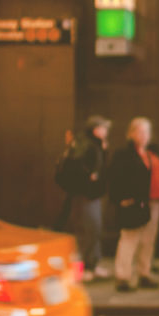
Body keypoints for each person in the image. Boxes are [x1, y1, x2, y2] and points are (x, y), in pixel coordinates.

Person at [108, 117, 159, 292]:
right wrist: (121, 199)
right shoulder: (124, 155)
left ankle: (144, 273)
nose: (144, 136)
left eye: (146, 132)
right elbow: (115, 177)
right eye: (140, 132)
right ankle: (123, 276)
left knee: (148, 240)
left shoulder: (150, 154)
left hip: (152, 201)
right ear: (131, 133)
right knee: (129, 238)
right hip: (132, 202)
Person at [63, 115, 112, 281]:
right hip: (85, 194)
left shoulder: (96, 144)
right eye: (104, 128)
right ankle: (80, 268)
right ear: (96, 129)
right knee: (87, 230)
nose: (106, 131)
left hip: (94, 194)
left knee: (95, 230)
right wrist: (89, 176)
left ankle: (93, 264)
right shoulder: (85, 144)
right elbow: (76, 165)